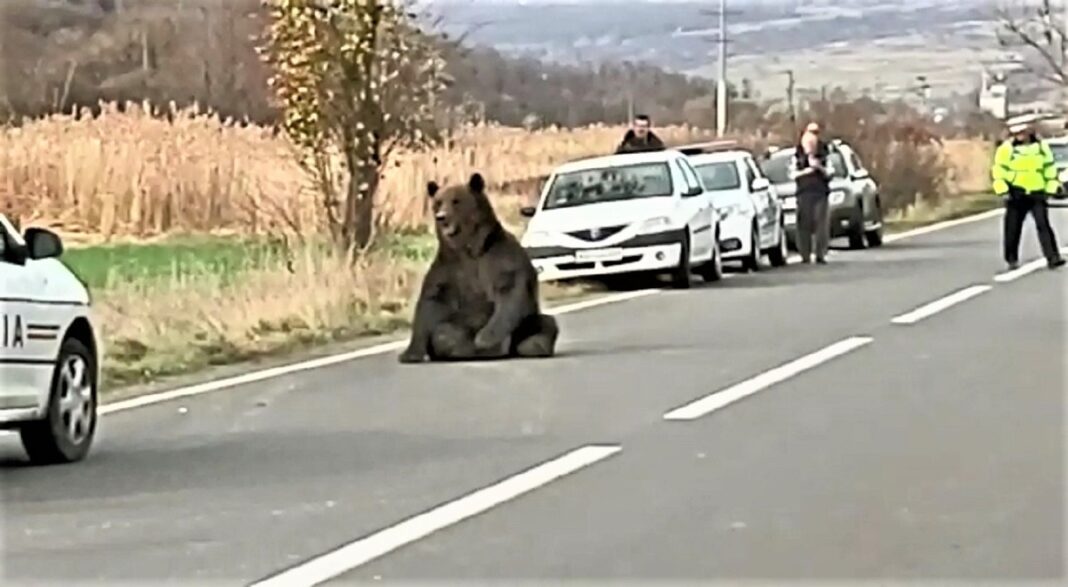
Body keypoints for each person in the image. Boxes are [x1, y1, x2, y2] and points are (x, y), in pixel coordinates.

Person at [991, 114, 1066, 271]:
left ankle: (1053, 257)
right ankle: (1011, 258)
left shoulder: (1040, 148)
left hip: (1037, 192)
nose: (1021, 136)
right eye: (1018, 133)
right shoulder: (1007, 149)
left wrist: (1051, 187)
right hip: (1015, 193)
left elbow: (1049, 168)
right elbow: (999, 170)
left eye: (1024, 132)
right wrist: (1003, 189)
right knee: (1013, 227)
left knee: (1043, 225)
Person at [789, 121, 834, 264]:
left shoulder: (825, 152)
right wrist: (806, 171)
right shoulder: (797, 155)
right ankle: (805, 255)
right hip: (803, 192)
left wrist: (819, 167)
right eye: (810, 132)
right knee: (804, 224)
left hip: (820, 192)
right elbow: (792, 174)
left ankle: (820, 254)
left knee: (821, 225)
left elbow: (831, 172)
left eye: (816, 133)